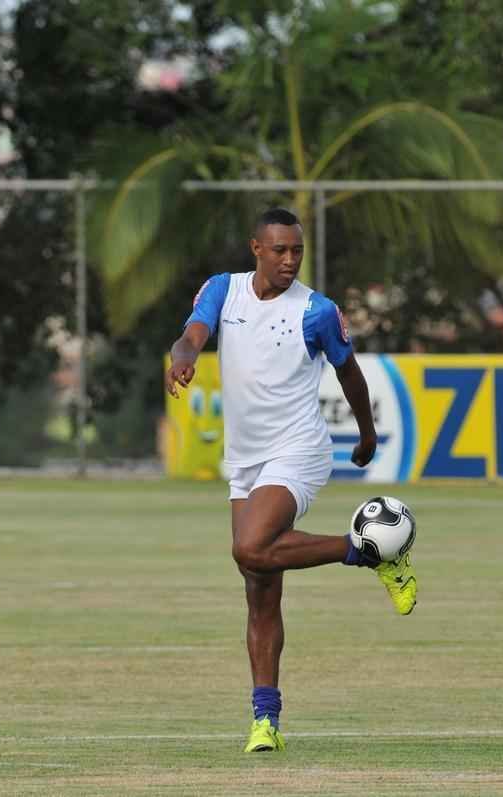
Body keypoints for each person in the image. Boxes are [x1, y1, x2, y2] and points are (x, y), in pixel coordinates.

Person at [164, 207, 418, 754]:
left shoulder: (316, 311)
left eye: (297, 251)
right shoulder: (223, 289)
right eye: (279, 250)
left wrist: (366, 434)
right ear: (256, 248)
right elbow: (193, 334)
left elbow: (349, 372)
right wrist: (183, 356)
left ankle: (368, 552)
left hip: (298, 450)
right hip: (244, 460)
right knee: (259, 588)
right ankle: (266, 721)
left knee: (251, 547)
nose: (289, 260)